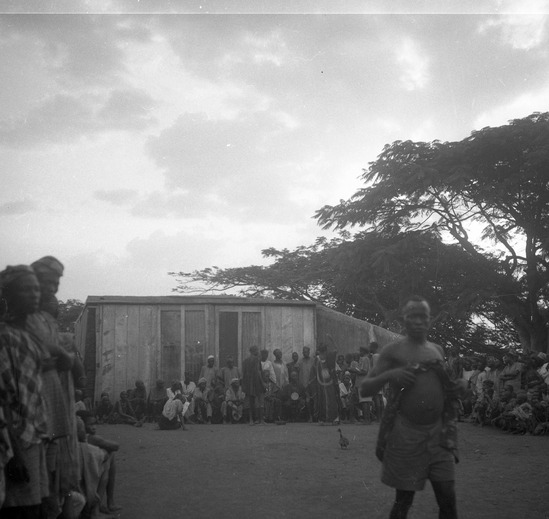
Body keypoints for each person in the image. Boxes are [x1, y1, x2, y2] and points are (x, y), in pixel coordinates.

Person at [360, 295, 465, 519]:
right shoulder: (392, 351)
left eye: (423, 317)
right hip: (406, 435)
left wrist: (459, 387)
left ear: (429, 320)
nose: (418, 321)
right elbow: (365, 389)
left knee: (448, 499)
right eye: (412, 316)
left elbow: (446, 386)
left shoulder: (437, 350)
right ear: (404, 320)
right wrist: (391, 374)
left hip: (438, 436)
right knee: (403, 501)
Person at [0, 265, 49, 518]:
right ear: (8, 295)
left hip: (34, 437)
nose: (35, 294)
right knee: (22, 509)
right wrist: (15, 455)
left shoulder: (27, 336)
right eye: (26, 289)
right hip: (15, 440)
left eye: (36, 289)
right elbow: (3, 402)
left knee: (36, 506)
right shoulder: (5, 338)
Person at [309, 343, 340, 425]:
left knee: (332, 400)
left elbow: (335, 350)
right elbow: (313, 371)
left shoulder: (329, 357)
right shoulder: (317, 359)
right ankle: (322, 419)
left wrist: (331, 340)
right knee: (321, 401)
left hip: (330, 383)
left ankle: (334, 418)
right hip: (320, 383)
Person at [241, 346, 265, 426]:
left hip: (248, 383)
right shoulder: (257, 360)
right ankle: (260, 420)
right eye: (257, 350)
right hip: (256, 382)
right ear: (254, 351)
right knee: (259, 401)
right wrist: (263, 383)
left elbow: (243, 374)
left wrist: (244, 385)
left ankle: (251, 420)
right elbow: (259, 372)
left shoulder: (245, 361)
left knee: (251, 402)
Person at [297, 346, 314, 421]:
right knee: (305, 401)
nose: (305, 353)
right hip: (303, 384)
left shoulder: (312, 360)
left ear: (309, 352)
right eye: (304, 352)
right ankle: (308, 416)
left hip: (312, 384)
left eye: (306, 351)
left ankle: (313, 416)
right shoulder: (300, 361)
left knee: (311, 400)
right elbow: (298, 373)